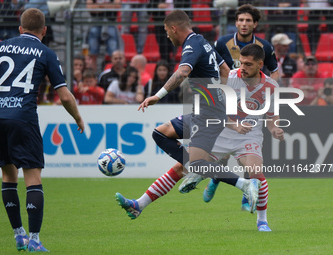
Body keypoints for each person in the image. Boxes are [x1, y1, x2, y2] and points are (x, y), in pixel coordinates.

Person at [116, 45, 282, 232]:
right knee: (182, 168)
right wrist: (232, 124)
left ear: (260, 64)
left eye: (248, 64)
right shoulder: (230, 78)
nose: (243, 67)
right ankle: (139, 204)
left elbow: (271, 116)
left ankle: (262, 221)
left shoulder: (270, 87)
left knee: (255, 172)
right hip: (220, 131)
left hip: (248, 136)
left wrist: (275, 128)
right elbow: (212, 108)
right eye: (241, 63)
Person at [118, 10, 261, 215]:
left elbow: (183, 72)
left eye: (167, 31)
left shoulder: (192, 45)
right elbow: (225, 70)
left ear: (174, 28)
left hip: (208, 116)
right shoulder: (204, 42)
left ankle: (243, 184)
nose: (167, 36)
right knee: (165, 140)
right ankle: (138, 205)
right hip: (206, 113)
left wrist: (158, 95)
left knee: (191, 163)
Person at [0, 8, 84, 252]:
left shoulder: (0, 47)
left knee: (8, 176)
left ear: (20, 29)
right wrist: (77, 117)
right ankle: (34, 239)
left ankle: (18, 235)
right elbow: (64, 96)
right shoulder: (46, 53)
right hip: (23, 118)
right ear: (44, 30)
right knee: (33, 179)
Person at [214, 4, 279, 81]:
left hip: (254, 90)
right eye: (241, 20)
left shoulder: (264, 46)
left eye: (248, 20)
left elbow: (274, 71)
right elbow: (211, 68)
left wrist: (269, 89)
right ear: (236, 23)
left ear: (255, 24)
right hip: (230, 91)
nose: (244, 24)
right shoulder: (222, 43)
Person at [86, 0, 121, 72]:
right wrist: (108, 6)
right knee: (92, 53)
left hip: (111, 23)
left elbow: (117, 6)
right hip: (95, 23)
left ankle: (114, 74)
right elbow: (90, 7)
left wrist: (98, 7)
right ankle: (93, 75)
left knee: (114, 52)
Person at [148, 0, 174, 65]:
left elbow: (187, 8)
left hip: (177, 23)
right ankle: (165, 65)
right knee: (164, 46)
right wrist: (157, 6)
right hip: (161, 26)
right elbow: (149, 10)